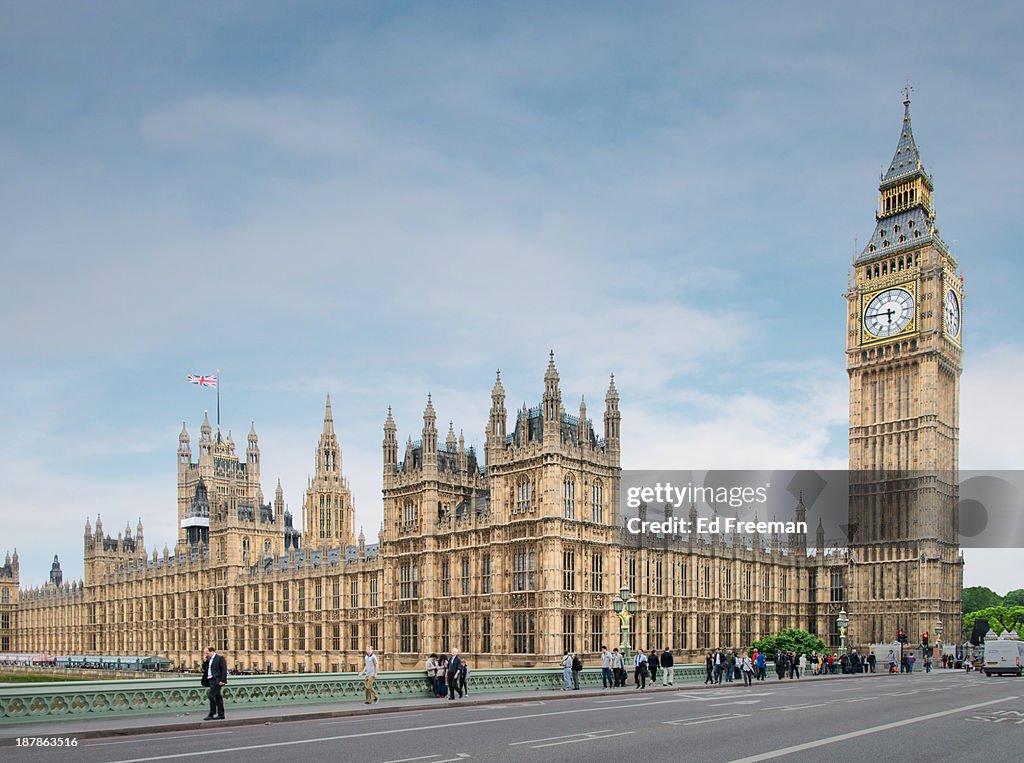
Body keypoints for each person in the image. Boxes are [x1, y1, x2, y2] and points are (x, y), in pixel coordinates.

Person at [200, 646, 227, 720]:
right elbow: (204, 669)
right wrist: (205, 661)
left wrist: (223, 680)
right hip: (210, 680)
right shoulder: (209, 659)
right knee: (218, 697)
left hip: (217, 680)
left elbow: (224, 670)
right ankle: (221, 714)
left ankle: (212, 713)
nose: (206, 654)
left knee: (211, 695)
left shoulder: (220, 658)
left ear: (212, 651)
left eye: (207, 653)